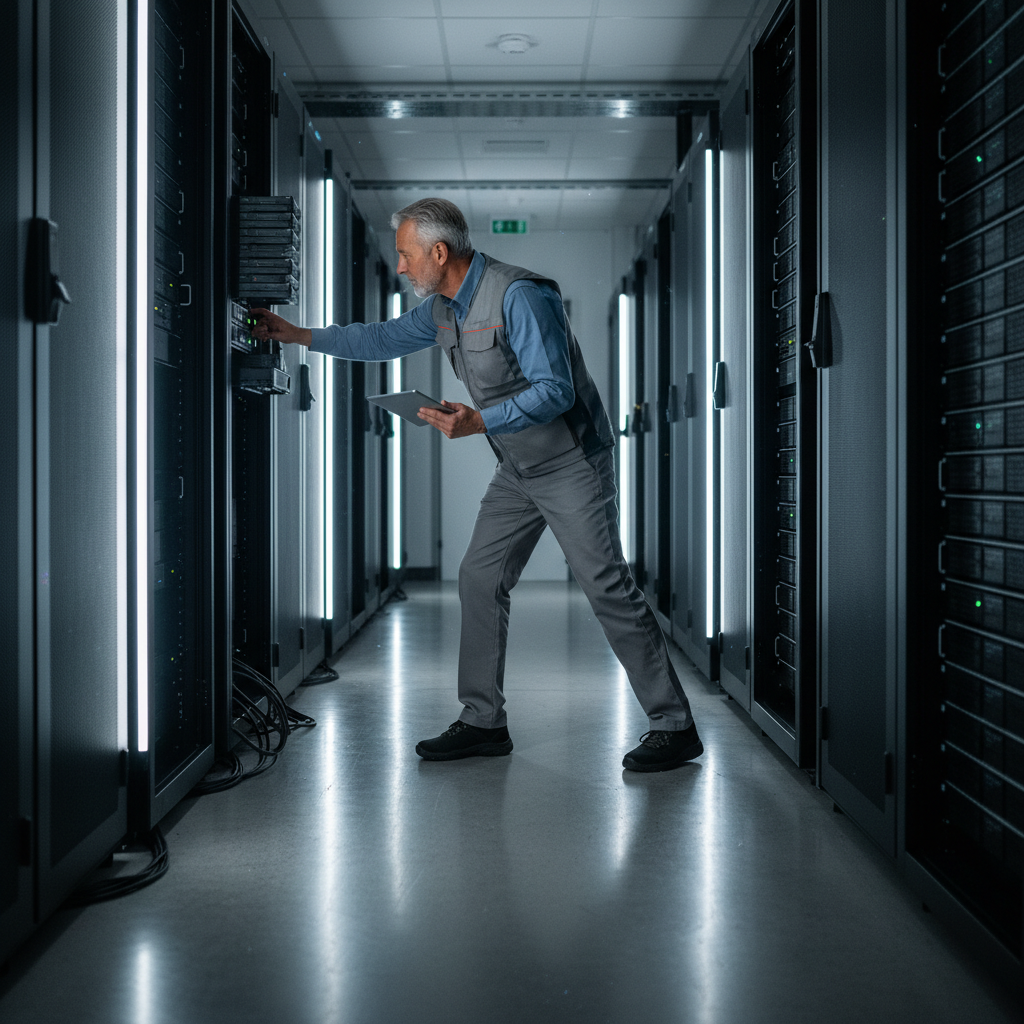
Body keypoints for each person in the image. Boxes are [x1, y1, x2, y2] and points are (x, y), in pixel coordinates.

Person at [251, 198, 702, 772]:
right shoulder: (442, 310)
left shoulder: (520, 295)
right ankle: (483, 720)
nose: (404, 268)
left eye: (409, 257)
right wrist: (298, 335)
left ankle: (674, 725)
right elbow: (380, 339)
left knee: (606, 586)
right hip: (517, 470)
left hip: (570, 463)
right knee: (479, 577)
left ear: (439, 252)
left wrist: (478, 420)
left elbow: (555, 390)